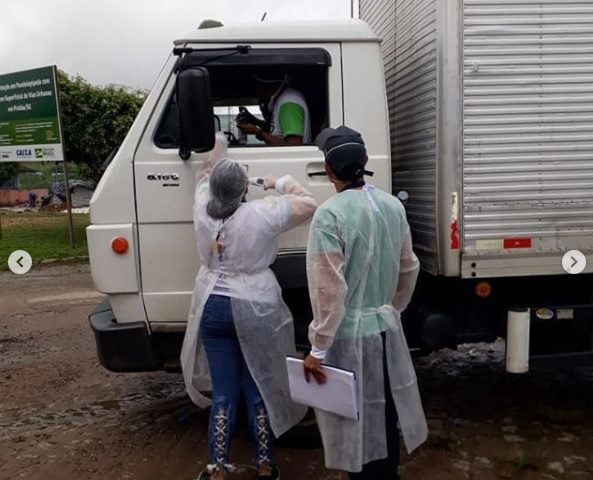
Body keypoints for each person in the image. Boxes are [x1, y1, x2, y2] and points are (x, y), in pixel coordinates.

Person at [180, 132, 317, 480]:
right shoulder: (263, 213)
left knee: (223, 392)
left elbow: (205, 174)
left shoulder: (201, 208)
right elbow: (308, 202)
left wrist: (217, 144)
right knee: (258, 386)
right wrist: (277, 182)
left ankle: (216, 468)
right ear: (244, 190)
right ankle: (265, 465)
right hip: (255, 306)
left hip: (213, 305)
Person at [302, 126, 428, 479]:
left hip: (346, 336)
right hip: (383, 329)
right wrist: (392, 309)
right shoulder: (392, 206)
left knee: (352, 415)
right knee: (383, 409)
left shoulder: (329, 215)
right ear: (365, 161)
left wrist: (318, 348)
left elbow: (329, 290)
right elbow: (409, 266)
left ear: (328, 170)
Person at [236, 75, 311, 145]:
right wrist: (254, 121)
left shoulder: (288, 103)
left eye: (260, 86)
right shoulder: (282, 100)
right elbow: (275, 131)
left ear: (269, 85)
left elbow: (294, 145)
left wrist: (258, 132)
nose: (259, 92)